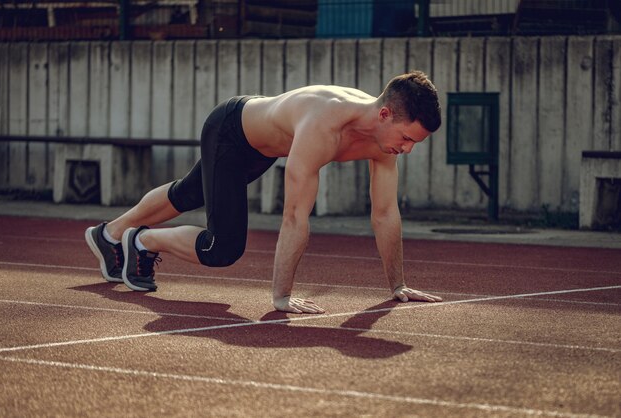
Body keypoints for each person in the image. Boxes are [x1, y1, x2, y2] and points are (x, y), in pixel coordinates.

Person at [85, 70, 443, 314]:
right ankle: (142, 242)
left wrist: (398, 285)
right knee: (223, 247)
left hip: (263, 147)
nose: (407, 149)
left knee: (188, 194)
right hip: (231, 129)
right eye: (407, 138)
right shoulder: (323, 125)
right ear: (384, 114)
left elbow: (384, 214)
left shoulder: (383, 144)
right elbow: (294, 217)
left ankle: (110, 234)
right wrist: (282, 296)